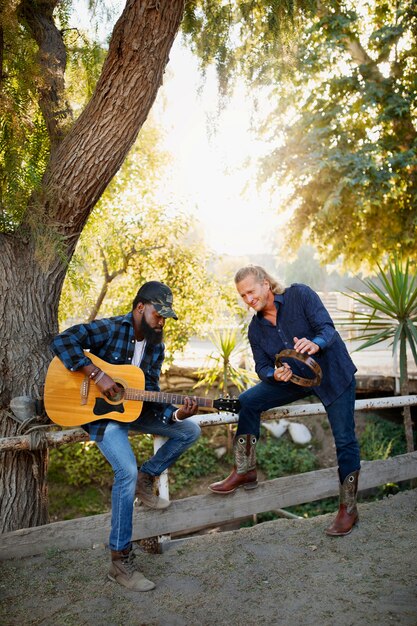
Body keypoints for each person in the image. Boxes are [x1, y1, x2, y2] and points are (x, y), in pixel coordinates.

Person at [51, 281, 200, 591]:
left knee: (189, 430)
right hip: (101, 414)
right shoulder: (111, 328)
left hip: (135, 410)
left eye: (165, 318)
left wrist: (176, 414)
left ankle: (148, 475)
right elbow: (63, 341)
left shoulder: (157, 346)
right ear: (139, 308)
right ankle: (120, 561)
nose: (161, 322)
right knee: (124, 470)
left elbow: (153, 394)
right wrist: (98, 375)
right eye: (159, 315)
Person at [209, 265, 361, 537]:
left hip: (334, 375)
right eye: (242, 296)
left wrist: (316, 343)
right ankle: (245, 469)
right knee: (248, 402)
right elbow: (261, 366)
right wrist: (274, 373)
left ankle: (348, 509)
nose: (248, 299)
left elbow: (327, 328)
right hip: (294, 380)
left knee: (345, 440)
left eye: (251, 292)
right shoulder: (255, 329)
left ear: (266, 284)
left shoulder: (300, 295)